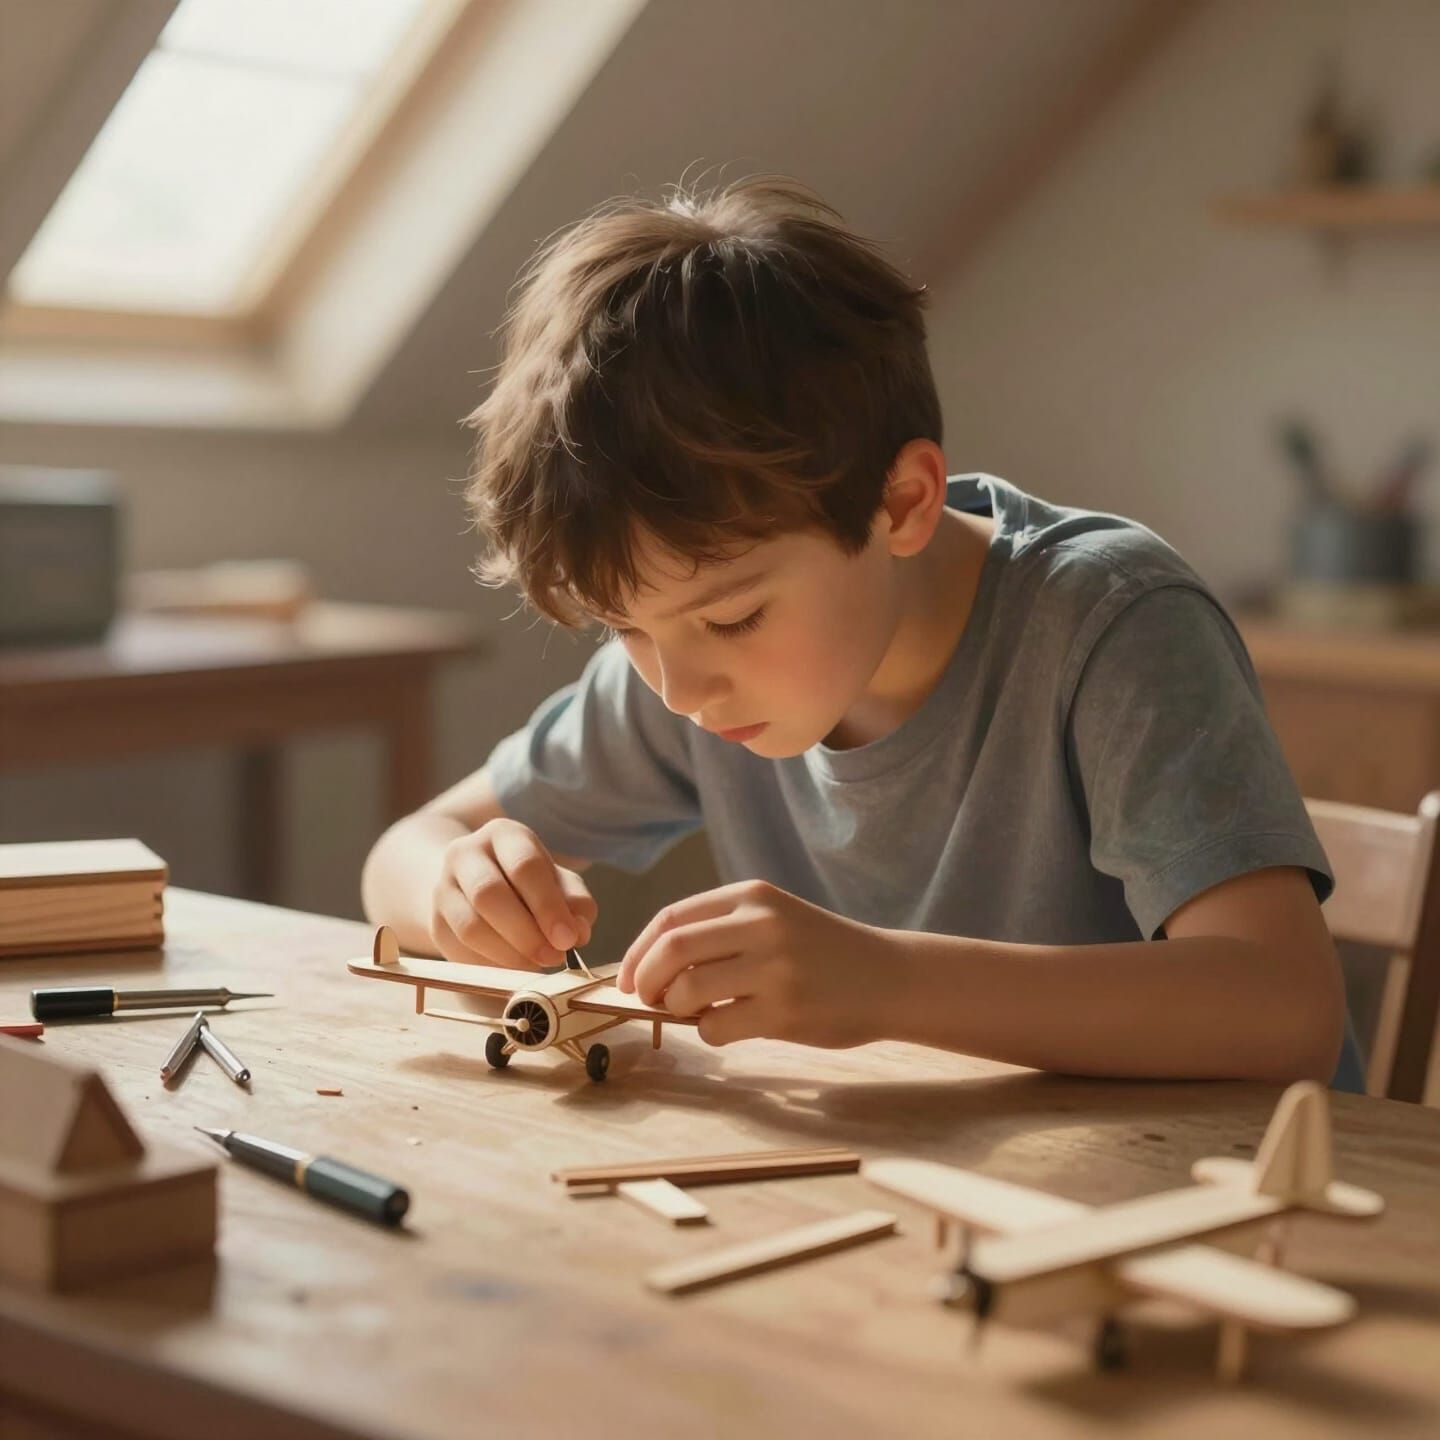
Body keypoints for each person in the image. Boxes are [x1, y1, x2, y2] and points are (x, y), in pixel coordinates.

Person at [362, 176, 1359, 1089]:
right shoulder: (690, 656)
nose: (678, 690)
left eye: (736, 616)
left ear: (903, 502)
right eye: (624, 627)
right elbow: (406, 849)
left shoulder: (1111, 627)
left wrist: (886, 982)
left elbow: (1283, 1008)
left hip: (1234, 1214)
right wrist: (457, 889)